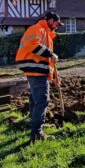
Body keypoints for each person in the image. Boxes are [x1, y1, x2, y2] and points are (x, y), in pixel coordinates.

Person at [16, 12, 63, 142]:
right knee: (42, 100)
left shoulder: (46, 34)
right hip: (35, 69)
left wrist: (54, 76)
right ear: (51, 20)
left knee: (35, 99)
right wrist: (50, 53)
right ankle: (37, 133)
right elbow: (33, 45)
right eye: (56, 23)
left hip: (37, 69)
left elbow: (49, 61)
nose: (57, 26)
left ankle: (34, 126)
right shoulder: (38, 28)